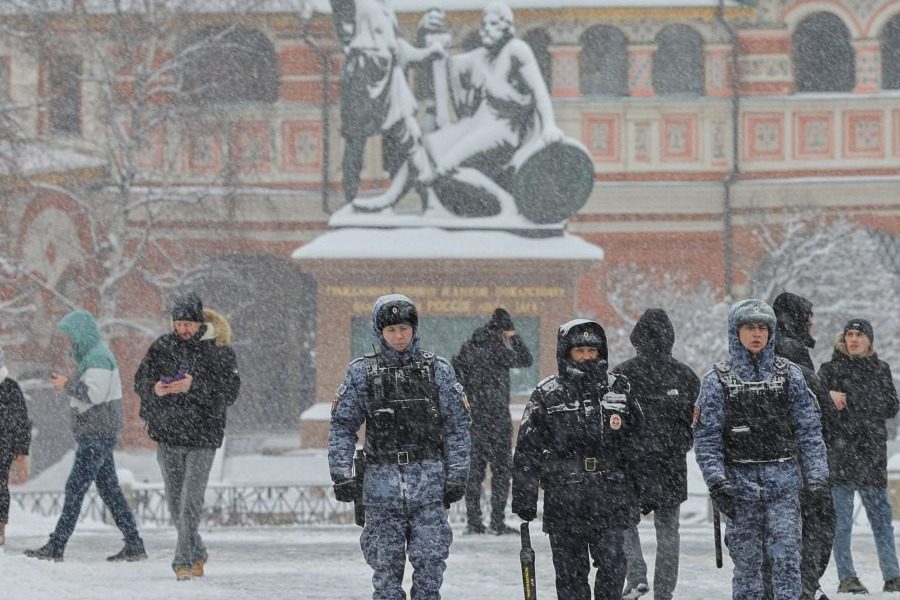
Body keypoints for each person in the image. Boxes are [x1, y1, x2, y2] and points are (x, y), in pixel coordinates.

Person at [328, 294, 471, 600]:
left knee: (430, 565)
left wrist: (457, 473)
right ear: (380, 333)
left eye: (404, 328)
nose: (399, 336)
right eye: (391, 330)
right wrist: (341, 472)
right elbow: (342, 426)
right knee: (385, 570)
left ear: (414, 329)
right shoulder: (362, 373)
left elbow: (457, 426)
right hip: (381, 485)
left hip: (429, 482)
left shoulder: (438, 370)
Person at [694, 299, 829, 600]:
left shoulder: (789, 376)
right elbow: (707, 439)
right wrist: (717, 482)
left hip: (783, 484)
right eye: (749, 328)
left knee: (787, 562)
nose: (756, 334)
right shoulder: (718, 381)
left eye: (762, 328)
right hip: (739, 487)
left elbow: (809, 431)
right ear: (735, 332)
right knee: (747, 566)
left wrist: (817, 479)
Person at [512, 318, 643, 600]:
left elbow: (638, 444)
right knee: (571, 577)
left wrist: (642, 490)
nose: (586, 356)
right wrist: (524, 497)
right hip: (564, 497)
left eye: (591, 350)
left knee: (613, 568)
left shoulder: (619, 390)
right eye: (579, 350)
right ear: (566, 353)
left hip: (610, 496)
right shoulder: (547, 393)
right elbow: (527, 450)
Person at [134, 292, 241, 581]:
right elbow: (140, 380)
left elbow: (229, 392)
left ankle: (182, 562)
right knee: (174, 502)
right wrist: (155, 388)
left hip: (203, 436)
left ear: (200, 323)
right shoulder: (161, 347)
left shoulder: (219, 350)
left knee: (191, 501)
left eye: (188, 324)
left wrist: (194, 386)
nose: (183, 330)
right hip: (168, 435)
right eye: (178, 323)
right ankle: (197, 550)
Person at [25, 310, 146, 562]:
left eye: (71, 335)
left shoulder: (98, 358)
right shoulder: (93, 356)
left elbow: (93, 395)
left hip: (96, 434)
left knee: (75, 488)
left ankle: (56, 546)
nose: (69, 340)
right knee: (110, 490)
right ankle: (134, 545)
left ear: (82, 333)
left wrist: (67, 384)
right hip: (97, 432)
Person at [612, 309, 699, 600]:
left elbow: (612, 422)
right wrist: (679, 444)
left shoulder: (622, 375)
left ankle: (636, 575)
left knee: (624, 522)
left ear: (637, 337)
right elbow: (697, 423)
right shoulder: (685, 375)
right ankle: (664, 591)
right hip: (670, 464)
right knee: (668, 531)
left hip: (630, 463)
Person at [329, 0, 443, 210]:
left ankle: (427, 197)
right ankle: (351, 201)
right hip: (363, 74)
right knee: (356, 140)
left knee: (408, 138)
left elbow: (398, 48)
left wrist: (424, 39)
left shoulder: (387, 8)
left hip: (390, 74)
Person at [817, 318, 900, 595]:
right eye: (850, 334)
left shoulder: (881, 369)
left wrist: (851, 398)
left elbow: (891, 406)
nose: (853, 339)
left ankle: (893, 575)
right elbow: (815, 404)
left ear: (869, 340)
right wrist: (828, 395)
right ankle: (847, 576)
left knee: (881, 521)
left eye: (859, 335)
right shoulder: (829, 370)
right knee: (840, 524)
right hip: (839, 456)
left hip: (872, 456)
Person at [770, 292, 835, 600]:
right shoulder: (796, 360)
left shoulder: (760, 360)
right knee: (816, 525)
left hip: (772, 463)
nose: (812, 322)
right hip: (801, 464)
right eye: (808, 316)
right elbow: (828, 422)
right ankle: (804, 585)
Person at [452, 307, 532, 535]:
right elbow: (526, 359)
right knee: (501, 473)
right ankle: (497, 521)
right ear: (504, 330)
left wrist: (466, 401)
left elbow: (454, 375)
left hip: (474, 420)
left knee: (474, 474)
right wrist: (514, 337)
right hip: (497, 419)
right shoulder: (498, 349)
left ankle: (474, 522)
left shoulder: (470, 346)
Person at [0, 345, 30, 546]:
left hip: (3, 445)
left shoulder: (10, 387)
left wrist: (20, 450)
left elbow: (21, 420)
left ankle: (0, 526)